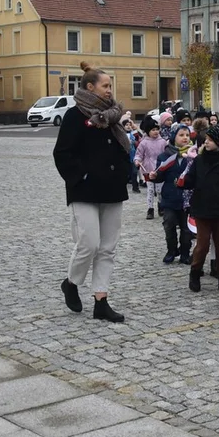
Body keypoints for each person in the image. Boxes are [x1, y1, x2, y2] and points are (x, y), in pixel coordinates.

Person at [53, 61, 130, 323]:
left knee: (108, 248)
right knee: (89, 243)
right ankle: (71, 283)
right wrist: (81, 176)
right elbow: (62, 153)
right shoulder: (76, 116)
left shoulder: (112, 116)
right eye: (105, 85)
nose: (110, 90)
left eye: (110, 85)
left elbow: (121, 148)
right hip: (84, 190)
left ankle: (101, 301)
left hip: (112, 189)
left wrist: (123, 171)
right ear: (90, 87)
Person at [182, 120, 219, 295]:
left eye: (210, 139)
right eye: (206, 139)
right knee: (202, 245)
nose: (206, 142)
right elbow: (190, 180)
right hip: (202, 209)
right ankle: (195, 272)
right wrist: (182, 182)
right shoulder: (199, 160)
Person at [150, 125, 195, 265]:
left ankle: (185, 252)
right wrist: (154, 176)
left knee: (186, 229)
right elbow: (160, 176)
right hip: (170, 198)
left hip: (187, 200)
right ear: (174, 137)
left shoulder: (194, 156)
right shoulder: (165, 156)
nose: (185, 138)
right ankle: (171, 250)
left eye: (187, 135)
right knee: (169, 225)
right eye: (181, 135)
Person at [134, 116, 166, 220]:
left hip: (160, 169)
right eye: (153, 130)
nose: (156, 132)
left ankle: (161, 206)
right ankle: (150, 209)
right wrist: (137, 161)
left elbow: (166, 153)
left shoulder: (163, 142)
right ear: (148, 131)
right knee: (151, 190)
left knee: (160, 190)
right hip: (148, 169)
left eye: (157, 129)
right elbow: (139, 154)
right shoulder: (144, 143)